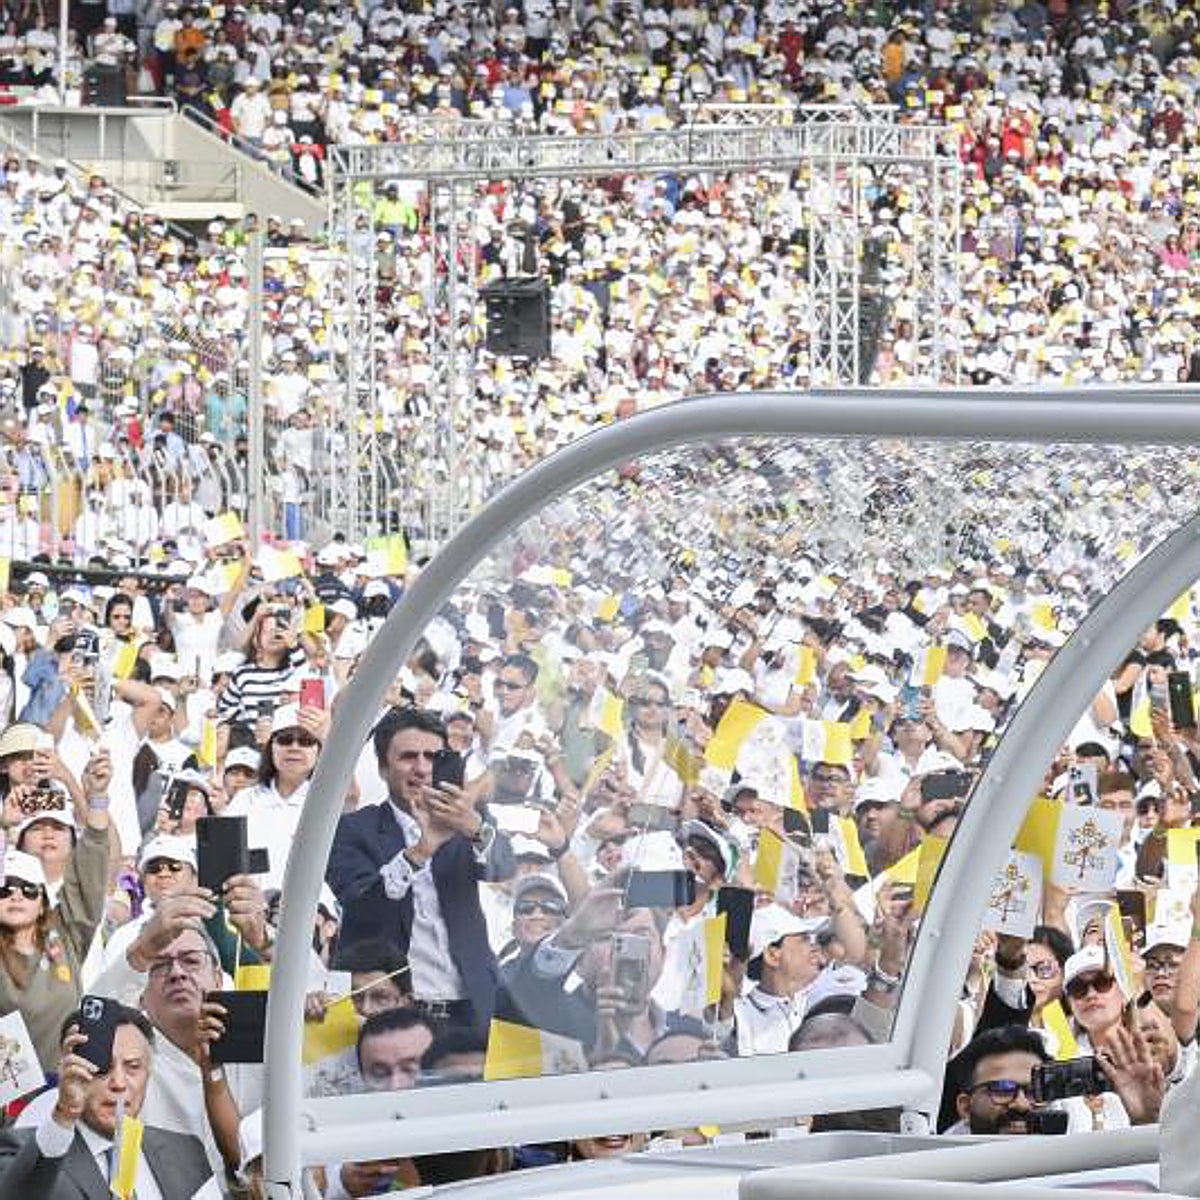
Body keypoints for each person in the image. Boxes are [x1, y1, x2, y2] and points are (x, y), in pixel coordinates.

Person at [326, 707, 515, 1031]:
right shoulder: (352, 829)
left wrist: (475, 828)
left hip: (472, 1007)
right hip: (392, 1015)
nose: (422, 769)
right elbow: (360, 902)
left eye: (432, 757)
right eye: (408, 757)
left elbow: (503, 868)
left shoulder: (467, 818)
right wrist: (420, 851)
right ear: (384, 768)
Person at [0, 1004, 215, 1200]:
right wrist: (65, 1114)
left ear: (149, 1073)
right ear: (69, 1070)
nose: (119, 1083)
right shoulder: (24, 1151)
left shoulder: (186, 1152)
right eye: (102, 1068)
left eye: (132, 1066)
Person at [0, 753, 110, 1071]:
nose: (17, 895)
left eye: (29, 889)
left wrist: (98, 798)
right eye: (5, 889)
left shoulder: (65, 935)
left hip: (58, 1096)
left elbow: (91, 869)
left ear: (43, 902)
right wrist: (4, 824)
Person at [946, 1024, 1052, 1135]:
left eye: (1035, 1091)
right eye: (1003, 1089)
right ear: (966, 1108)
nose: (1022, 1105)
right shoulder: (936, 1151)